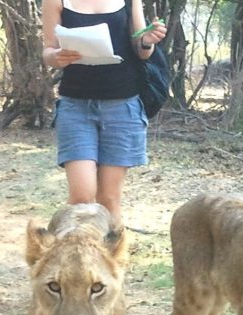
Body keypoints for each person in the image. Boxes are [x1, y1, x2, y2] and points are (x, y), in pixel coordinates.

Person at [42, 0, 167, 225]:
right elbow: (48, 50)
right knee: (81, 197)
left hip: (122, 105)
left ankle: (110, 259)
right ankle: (77, 256)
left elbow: (141, 50)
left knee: (109, 200)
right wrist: (56, 57)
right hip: (76, 106)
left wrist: (148, 41)